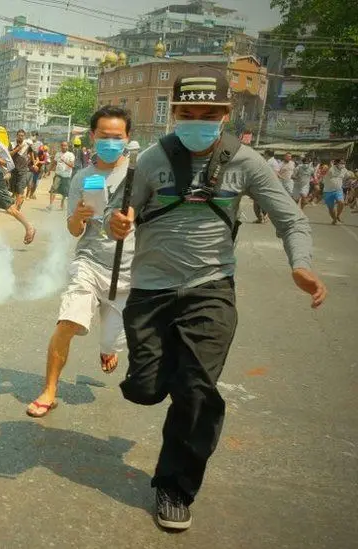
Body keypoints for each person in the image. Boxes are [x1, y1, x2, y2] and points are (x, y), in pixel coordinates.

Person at [106, 69, 326, 531]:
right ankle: (162, 386)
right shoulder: (151, 159)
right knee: (146, 389)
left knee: (196, 391)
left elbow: (291, 220)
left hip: (212, 289)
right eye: (188, 113)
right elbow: (118, 210)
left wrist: (300, 264)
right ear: (174, 114)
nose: (199, 122)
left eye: (210, 114)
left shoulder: (246, 162)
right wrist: (117, 222)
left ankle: (175, 487)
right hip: (150, 291)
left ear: (227, 115)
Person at [27, 106, 135, 418]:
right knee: (68, 322)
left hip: (127, 271)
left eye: (117, 137)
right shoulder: (82, 179)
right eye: (104, 136)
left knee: (111, 340)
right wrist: (79, 216)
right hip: (89, 261)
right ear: (92, 137)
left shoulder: (139, 176)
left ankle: (107, 348)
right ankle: (49, 390)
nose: (111, 142)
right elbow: (74, 231)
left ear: (128, 138)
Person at [9, 129, 36, 210]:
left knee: (20, 189)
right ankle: (18, 201)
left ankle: (17, 207)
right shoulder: (12, 144)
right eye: (19, 135)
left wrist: (34, 164)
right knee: (14, 190)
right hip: (13, 170)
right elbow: (9, 154)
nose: (20, 137)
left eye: (22, 135)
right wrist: (18, 149)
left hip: (23, 170)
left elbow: (31, 154)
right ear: (17, 136)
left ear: (24, 136)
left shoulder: (27, 145)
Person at [49, 141, 75, 210]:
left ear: (67, 147)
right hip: (58, 174)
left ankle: (62, 204)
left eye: (65, 146)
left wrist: (64, 161)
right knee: (53, 189)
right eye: (62, 146)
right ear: (61, 146)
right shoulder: (58, 154)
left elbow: (72, 165)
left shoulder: (70, 155)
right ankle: (51, 205)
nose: (64, 147)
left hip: (66, 176)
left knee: (64, 192)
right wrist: (48, 171)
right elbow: (54, 163)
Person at [321, 158, 347, 224]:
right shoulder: (331, 168)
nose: (343, 165)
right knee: (331, 208)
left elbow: (349, 174)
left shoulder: (344, 170)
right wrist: (330, 165)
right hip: (328, 191)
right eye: (341, 163)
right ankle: (334, 219)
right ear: (337, 163)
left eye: (344, 163)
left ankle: (337, 216)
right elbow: (326, 171)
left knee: (341, 202)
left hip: (338, 190)